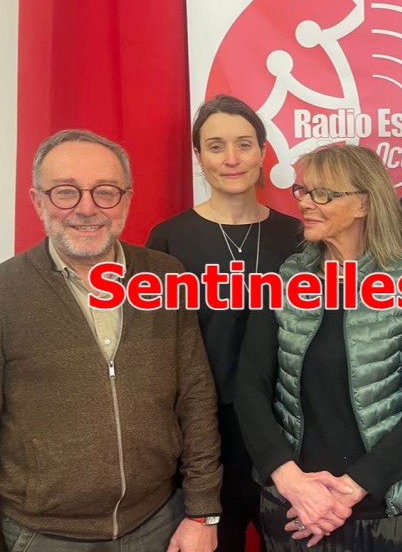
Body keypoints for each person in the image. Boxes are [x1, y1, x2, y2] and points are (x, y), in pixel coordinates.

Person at [0, 129, 222, 551]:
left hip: (159, 523)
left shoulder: (166, 275)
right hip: (42, 535)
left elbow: (195, 397)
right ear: (37, 201)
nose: (87, 208)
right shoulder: (5, 292)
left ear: (126, 199)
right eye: (66, 192)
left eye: (105, 191)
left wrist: (203, 511)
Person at [235, 144, 402, 552]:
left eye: (323, 194)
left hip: (390, 516)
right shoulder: (284, 280)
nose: (305, 203)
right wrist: (291, 481)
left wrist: (350, 490)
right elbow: (250, 389)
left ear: (363, 204)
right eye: (303, 191)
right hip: (296, 509)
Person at [147, 95, 302, 552]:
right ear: (199, 156)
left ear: (263, 152)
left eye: (244, 144)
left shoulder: (299, 236)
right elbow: (155, 347)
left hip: (285, 432)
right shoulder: (168, 239)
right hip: (201, 440)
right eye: (216, 146)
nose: (232, 159)